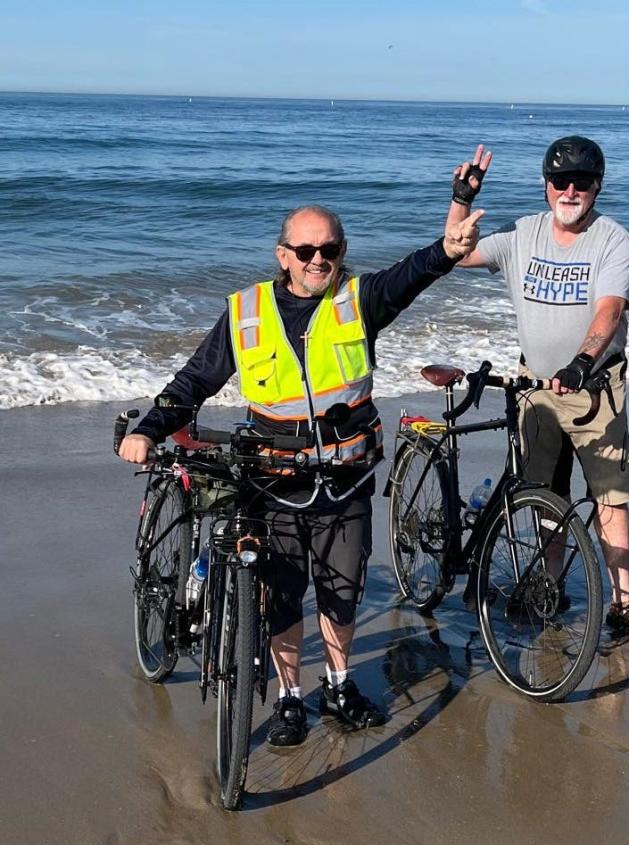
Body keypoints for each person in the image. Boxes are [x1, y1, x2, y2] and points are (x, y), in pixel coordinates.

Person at [119, 201, 484, 746]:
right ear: (284, 255)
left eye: (329, 250)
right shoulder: (246, 312)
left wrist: (446, 252)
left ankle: (338, 686)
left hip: (347, 478)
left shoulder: (358, 300)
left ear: (342, 254)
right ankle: (290, 697)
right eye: (306, 250)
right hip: (273, 480)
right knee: (284, 596)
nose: (319, 260)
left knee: (342, 594)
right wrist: (147, 429)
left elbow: (410, 275)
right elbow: (195, 379)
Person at [448, 138, 629, 638]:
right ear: (546, 186)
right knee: (546, 494)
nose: (570, 191)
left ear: (597, 187)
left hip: (593, 390)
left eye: (581, 183)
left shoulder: (612, 239)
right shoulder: (521, 233)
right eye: (560, 182)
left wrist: (582, 362)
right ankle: (551, 583)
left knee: (610, 495)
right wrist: (461, 199)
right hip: (535, 386)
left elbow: (609, 311)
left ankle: (623, 602)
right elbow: (456, 253)